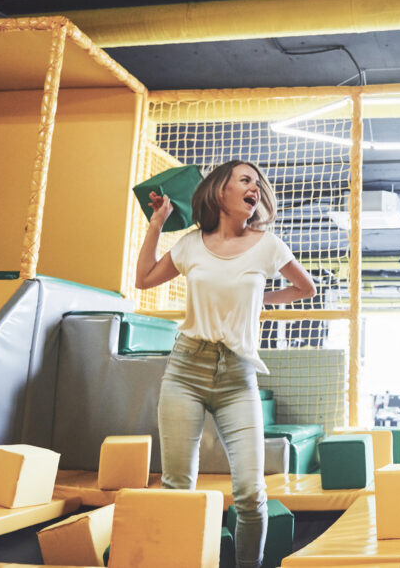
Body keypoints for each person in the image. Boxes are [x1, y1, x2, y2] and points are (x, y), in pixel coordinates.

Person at [135, 160, 316, 568]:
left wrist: (259, 301)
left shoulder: (268, 244)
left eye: (259, 184)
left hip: (238, 377)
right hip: (185, 372)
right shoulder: (191, 245)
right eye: (246, 180)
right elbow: (144, 279)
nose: (256, 187)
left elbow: (305, 287)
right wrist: (157, 225)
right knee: (178, 486)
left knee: (251, 494)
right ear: (220, 191)